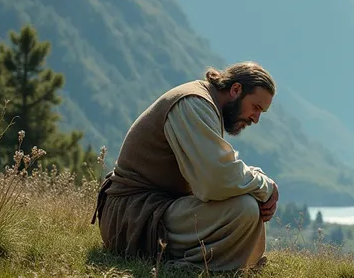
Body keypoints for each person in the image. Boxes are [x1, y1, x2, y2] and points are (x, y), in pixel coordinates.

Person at [91, 61, 279, 272]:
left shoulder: (206, 105)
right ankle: (186, 268)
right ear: (236, 90)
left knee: (247, 199)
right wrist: (266, 186)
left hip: (155, 211)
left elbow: (222, 169)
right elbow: (215, 181)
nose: (256, 118)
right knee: (244, 208)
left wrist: (258, 181)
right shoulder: (194, 104)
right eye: (255, 107)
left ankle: (221, 266)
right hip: (132, 218)